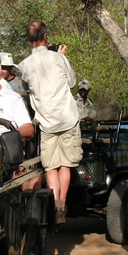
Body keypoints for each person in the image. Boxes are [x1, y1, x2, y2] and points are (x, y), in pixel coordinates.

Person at [18, 21, 81, 225]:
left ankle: (54, 206)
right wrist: (61, 56)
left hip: (46, 122)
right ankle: (62, 204)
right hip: (67, 118)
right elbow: (72, 83)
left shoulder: (25, 65)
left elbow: (27, 88)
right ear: (45, 37)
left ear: (29, 39)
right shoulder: (58, 58)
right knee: (66, 165)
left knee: (51, 167)